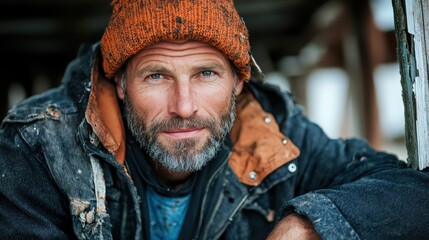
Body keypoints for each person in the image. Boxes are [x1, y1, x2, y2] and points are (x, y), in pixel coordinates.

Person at [1, 0, 428, 239]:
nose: (184, 105)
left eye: (206, 74)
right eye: (156, 76)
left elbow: (413, 192)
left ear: (239, 84)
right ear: (121, 84)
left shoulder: (275, 138)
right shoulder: (39, 144)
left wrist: (312, 223)